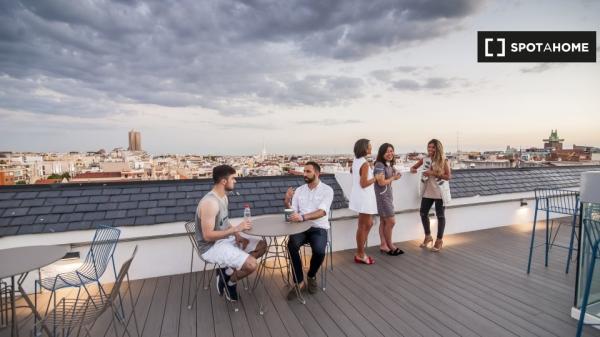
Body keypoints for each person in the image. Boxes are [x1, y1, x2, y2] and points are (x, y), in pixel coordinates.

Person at [196, 165, 267, 301]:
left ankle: (227, 272)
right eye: (233, 178)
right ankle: (230, 283)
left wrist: (237, 235)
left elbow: (224, 221)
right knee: (251, 265)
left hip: (225, 240)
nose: (235, 181)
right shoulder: (210, 203)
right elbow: (207, 235)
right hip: (211, 247)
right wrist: (235, 229)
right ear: (224, 181)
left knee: (262, 246)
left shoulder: (223, 197)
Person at [285, 162, 334, 300]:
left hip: (318, 227)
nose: (304, 174)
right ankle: (299, 281)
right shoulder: (300, 190)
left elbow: (322, 212)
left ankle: (311, 275)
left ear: (317, 173)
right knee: (291, 245)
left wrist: (302, 217)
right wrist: (287, 200)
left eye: (308, 171)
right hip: (300, 227)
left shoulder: (327, 190)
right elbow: (292, 211)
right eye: (304, 171)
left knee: (319, 251)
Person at [410, 139, 452, 252]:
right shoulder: (425, 159)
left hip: (439, 192)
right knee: (423, 213)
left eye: (433, 147)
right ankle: (428, 236)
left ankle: (439, 240)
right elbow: (413, 167)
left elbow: (448, 177)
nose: (430, 149)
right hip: (428, 191)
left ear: (438, 148)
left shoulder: (443, 160)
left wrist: (433, 173)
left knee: (440, 216)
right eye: (429, 147)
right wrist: (413, 169)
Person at [349, 138, 378, 264]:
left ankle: (360, 250)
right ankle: (360, 254)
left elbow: (353, 172)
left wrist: (369, 169)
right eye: (369, 147)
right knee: (363, 226)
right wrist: (375, 178)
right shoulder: (364, 163)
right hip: (365, 198)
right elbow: (364, 183)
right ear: (364, 148)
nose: (371, 148)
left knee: (369, 224)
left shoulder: (356, 161)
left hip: (360, 197)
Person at [373, 143, 403, 256]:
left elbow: (394, 172)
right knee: (391, 221)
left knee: (383, 221)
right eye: (387, 151)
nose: (390, 153)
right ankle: (390, 245)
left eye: (392, 151)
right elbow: (381, 182)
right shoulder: (379, 165)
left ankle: (383, 245)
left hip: (387, 196)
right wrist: (394, 178)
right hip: (382, 197)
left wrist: (395, 173)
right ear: (382, 153)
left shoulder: (388, 164)